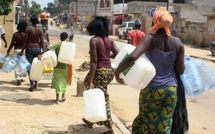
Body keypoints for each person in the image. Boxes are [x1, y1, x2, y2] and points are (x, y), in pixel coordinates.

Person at [115, 7, 185, 134]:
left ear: (154, 21)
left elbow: (132, 57)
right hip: (170, 90)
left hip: (151, 88)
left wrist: (117, 71)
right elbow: (180, 71)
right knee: (164, 124)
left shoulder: (150, 39)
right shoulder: (178, 43)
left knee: (145, 121)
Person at [82, 16, 119, 134]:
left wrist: (91, 80)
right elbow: (118, 53)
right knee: (98, 93)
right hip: (108, 71)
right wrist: (108, 57)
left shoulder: (94, 40)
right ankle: (91, 120)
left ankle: (109, 128)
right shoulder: (110, 40)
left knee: (100, 96)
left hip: (100, 71)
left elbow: (94, 62)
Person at [38, 32, 74, 104]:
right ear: (66, 38)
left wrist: (40, 54)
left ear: (60, 38)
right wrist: (68, 38)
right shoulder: (69, 44)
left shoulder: (57, 45)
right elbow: (72, 34)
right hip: (65, 66)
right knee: (64, 81)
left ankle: (57, 99)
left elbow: (47, 49)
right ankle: (63, 96)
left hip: (57, 66)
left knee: (58, 81)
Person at [19, 15, 45, 92]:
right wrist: (43, 51)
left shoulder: (28, 29)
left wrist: (22, 50)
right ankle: (35, 82)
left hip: (29, 49)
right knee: (36, 66)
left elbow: (25, 41)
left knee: (29, 67)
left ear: (30, 21)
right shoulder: (40, 30)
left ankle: (32, 83)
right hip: (37, 49)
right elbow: (42, 42)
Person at [7, 20, 28, 85]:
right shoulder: (26, 35)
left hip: (16, 51)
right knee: (22, 65)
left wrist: (8, 50)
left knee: (16, 65)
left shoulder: (15, 34)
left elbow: (12, 43)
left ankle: (18, 78)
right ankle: (21, 77)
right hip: (23, 51)